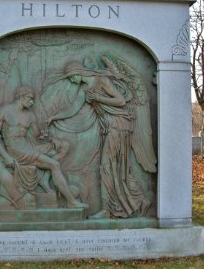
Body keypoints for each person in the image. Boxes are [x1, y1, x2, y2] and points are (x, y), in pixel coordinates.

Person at [45, 58, 156, 218]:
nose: (71, 80)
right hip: (108, 128)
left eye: (71, 76)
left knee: (107, 166)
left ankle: (107, 210)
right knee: (117, 168)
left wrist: (98, 99)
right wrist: (54, 117)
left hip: (118, 126)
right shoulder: (85, 89)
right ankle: (140, 200)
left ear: (77, 73)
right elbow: (73, 109)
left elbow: (120, 100)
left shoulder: (101, 81)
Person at [0, 86, 88, 209]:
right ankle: (70, 201)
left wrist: (51, 139)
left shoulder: (30, 116)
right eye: (30, 98)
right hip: (16, 151)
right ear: (21, 97)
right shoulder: (4, 111)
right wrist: (6, 156)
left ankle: (45, 180)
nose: (32, 102)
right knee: (54, 165)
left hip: (28, 148)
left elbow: (38, 136)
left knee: (63, 146)